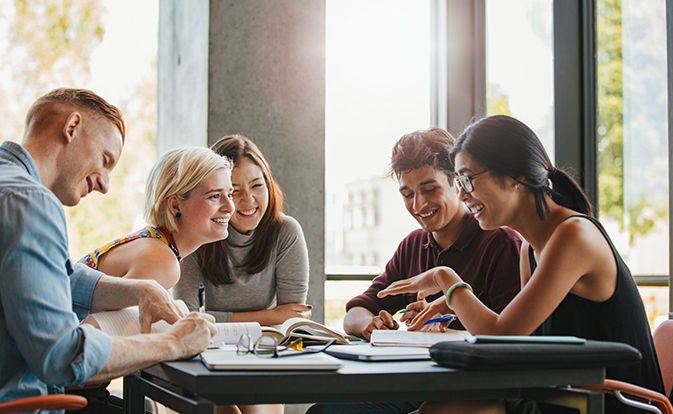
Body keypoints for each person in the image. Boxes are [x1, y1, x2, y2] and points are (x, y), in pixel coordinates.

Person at [378, 115, 664, 414]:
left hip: (609, 403)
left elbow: (500, 338)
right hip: (563, 398)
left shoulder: (573, 236)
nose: (462, 194)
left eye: (467, 179)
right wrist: (454, 305)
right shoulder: (531, 246)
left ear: (515, 177)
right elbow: (518, 343)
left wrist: (446, 279)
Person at [0, 88, 216, 411]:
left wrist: (140, 290)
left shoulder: (10, 189)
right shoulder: (31, 203)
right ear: (72, 127)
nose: (104, 184)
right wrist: (173, 342)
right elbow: (64, 357)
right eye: (105, 160)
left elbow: (55, 278)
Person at [307, 127, 522, 414]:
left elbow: (513, 340)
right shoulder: (413, 245)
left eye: (430, 189)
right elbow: (355, 313)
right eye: (408, 194)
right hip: (416, 384)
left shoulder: (501, 243)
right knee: (325, 412)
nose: (418, 205)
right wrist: (370, 325)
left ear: (457, 184)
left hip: (476, 389)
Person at [173, 134, 310, 414]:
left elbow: (292, 320)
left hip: (266, 351)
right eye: (234, 191)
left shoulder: (286, 231)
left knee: (256, 408)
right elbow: (186, 317)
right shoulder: (198, 233)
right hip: (208, 352)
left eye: (257, 185)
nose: (248, 200)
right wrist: (269, 316)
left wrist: (270, 321)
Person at [79, 146, 235, 290]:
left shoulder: (157, 245)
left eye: (230, 194)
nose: (230, 207)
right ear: (175, 206)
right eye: (214, 196)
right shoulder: (161, 260)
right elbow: (101, 320)